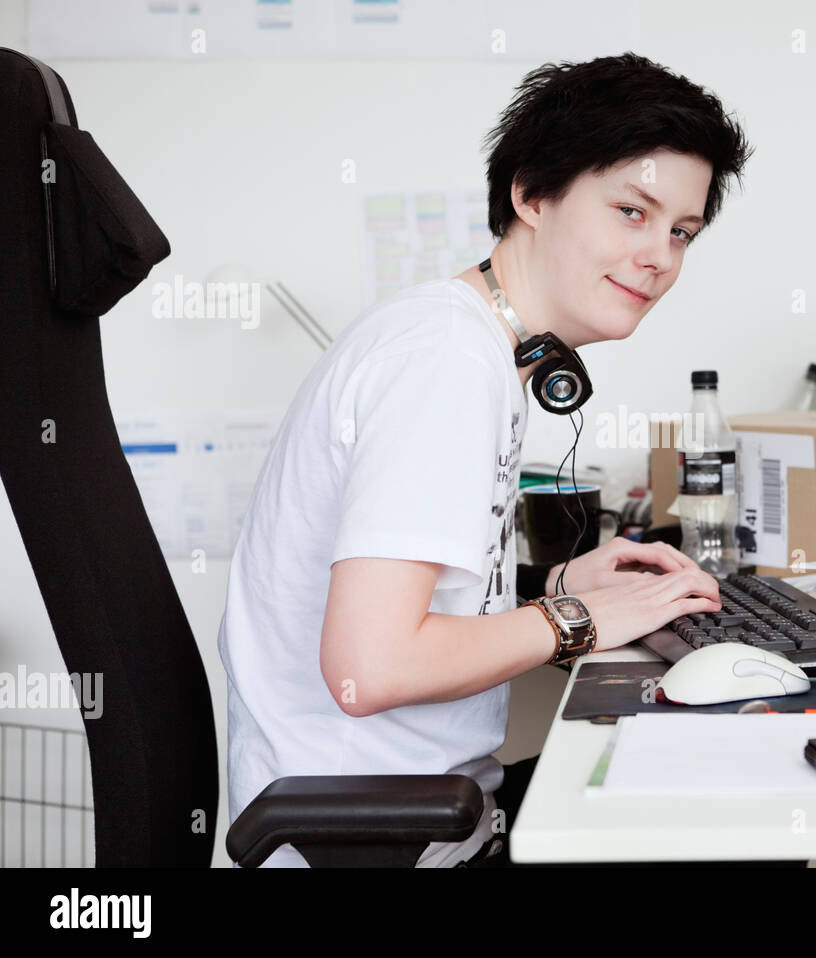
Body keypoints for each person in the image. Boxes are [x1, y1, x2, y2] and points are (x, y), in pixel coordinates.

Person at [217, 52, 753, 867]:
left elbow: (415, 605)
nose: (661, 258)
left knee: (716, 784)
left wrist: (559, 586)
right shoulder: (445, 362)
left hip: (424, 815)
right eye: (631, 213)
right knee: (741, 820)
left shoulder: (470, 344)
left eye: (681, 232)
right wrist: (582, 622)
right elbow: (372, 664)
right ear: (532, 193)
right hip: (381, 841)